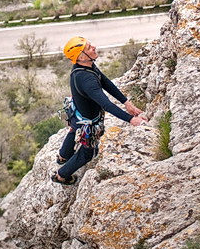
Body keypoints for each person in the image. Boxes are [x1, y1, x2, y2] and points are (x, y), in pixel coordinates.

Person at [51, 36, 149, 185]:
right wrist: (132, 120)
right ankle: (61, 175)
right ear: (81, 56)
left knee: (73, 128)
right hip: (88, 120)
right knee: (86, 154)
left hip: (77, 111)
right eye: (89, 48)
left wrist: (126, 102)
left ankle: (63, 156)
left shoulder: (84, 66)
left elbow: (105, 82)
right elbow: (106, 105)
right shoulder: (86, 79)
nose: (94, 47)